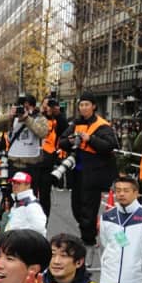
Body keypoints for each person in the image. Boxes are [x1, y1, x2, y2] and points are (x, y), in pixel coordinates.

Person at [59, 92, 119, 264]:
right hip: (78, 172)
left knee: (88, 209)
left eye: (86, 104)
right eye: (81, 104)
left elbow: (109, 146)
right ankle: (87, 233)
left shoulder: (102, 125)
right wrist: (70, 141)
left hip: (94, 173)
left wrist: (90, 138)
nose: (83, 108)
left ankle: (88, 242)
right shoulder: (76, 123)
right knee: (76, 207)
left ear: (93, 106)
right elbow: (61, 141)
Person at [100, 176, 142, 283]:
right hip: (109, 278)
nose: (121, 194)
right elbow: (105, 242)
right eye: (118, 190)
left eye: (126, 190)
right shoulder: (108, 216)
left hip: (134, 279)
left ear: (136, 193)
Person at [0, 94, 50, 192]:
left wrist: (27, 119)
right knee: (13, 197)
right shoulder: (13, 119)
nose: (23, 110)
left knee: (29, 197)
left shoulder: (39, 118)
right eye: (21, 107)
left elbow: (42, 132)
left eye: (26, 107)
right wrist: (9, 115)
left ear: (33, 107)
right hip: (14, 164)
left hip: (31, 165)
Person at [37, 95, 67, 216]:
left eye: (50, 105)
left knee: (45, 195)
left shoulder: (58, 121)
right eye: (46, 104)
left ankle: (44, 221)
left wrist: (58, 113)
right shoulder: (38, 118)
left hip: (48, 162)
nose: (47, 107)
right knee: (31, 193)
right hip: (34, 161)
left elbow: (66, 129)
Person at [4, 171, 47, 235]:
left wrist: (16, 235)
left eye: (19, 183)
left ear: (28, 185)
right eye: (13, 182)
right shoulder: (19, 201)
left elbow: (39, 229)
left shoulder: (32, 205)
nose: (15, 185)